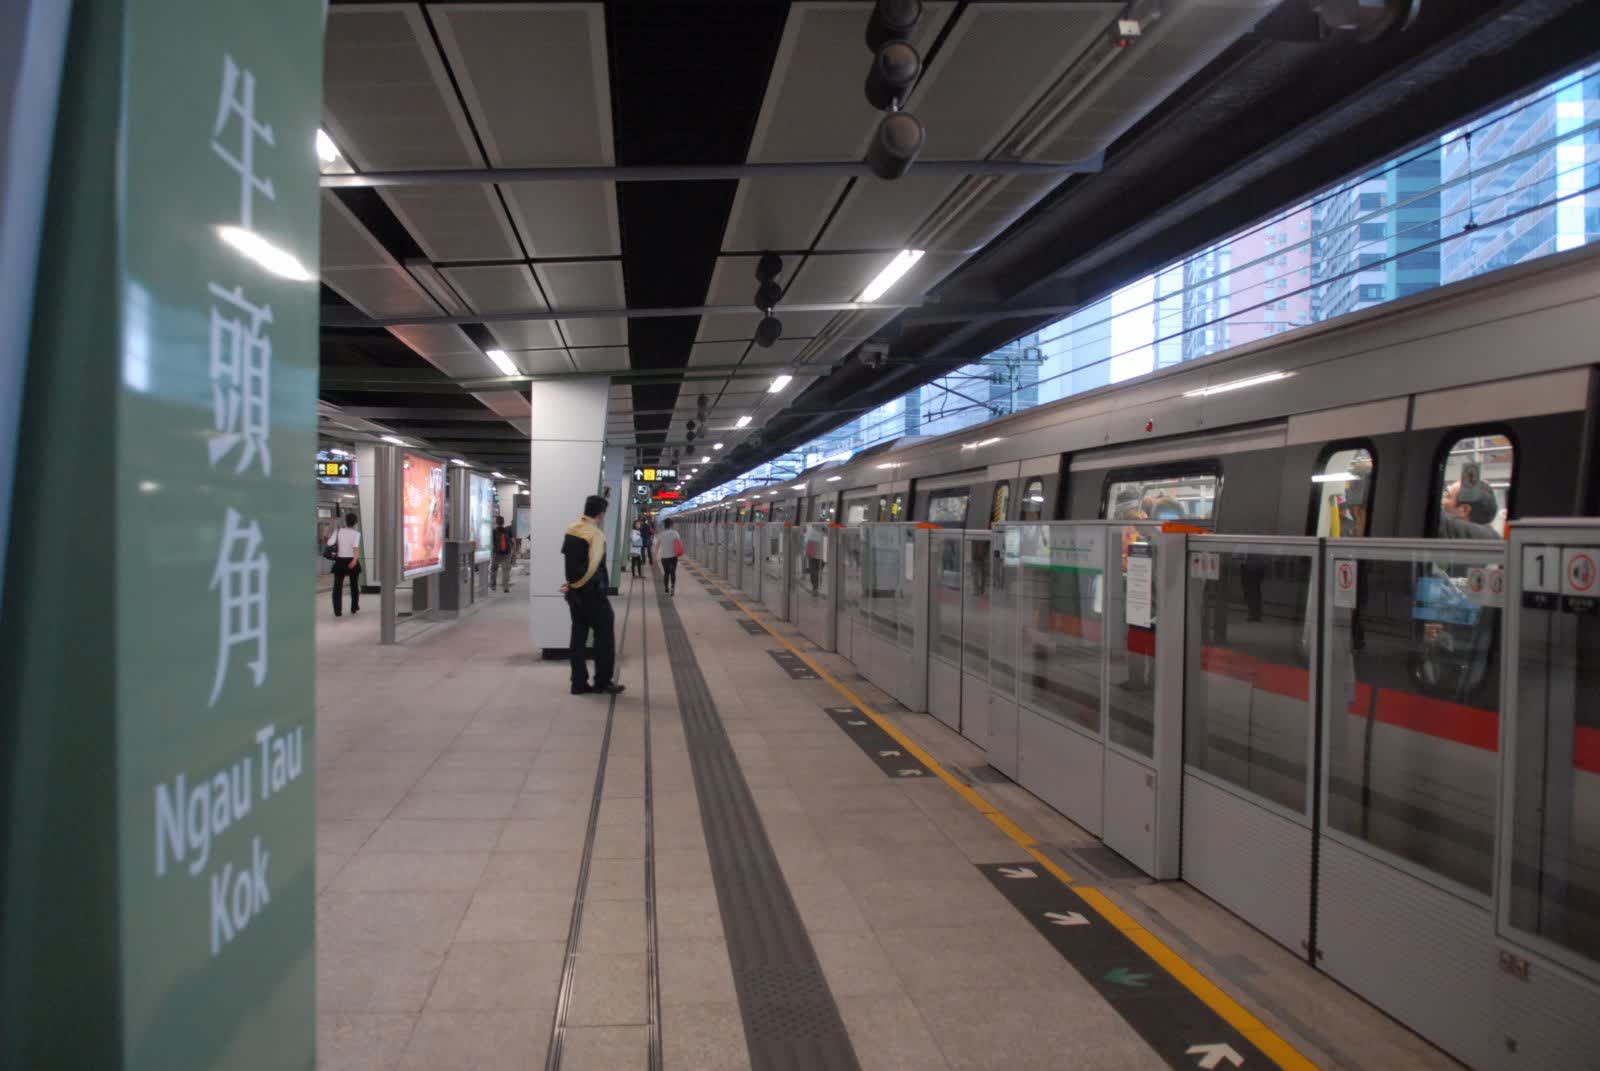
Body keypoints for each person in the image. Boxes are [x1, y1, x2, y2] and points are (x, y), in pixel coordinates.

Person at [562, 495, 623, 696]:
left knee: (578, 637)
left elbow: (571, 563)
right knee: (604, 636)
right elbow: (592, 567)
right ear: (601, 514)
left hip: (574, 594)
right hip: (592, 594)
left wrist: (572, 586)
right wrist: (584, 586)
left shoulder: (572, 529)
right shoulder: (595, 534)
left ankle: (578, 683)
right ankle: (602, 682)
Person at [326, 512, 361, 617]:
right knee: (354, 585)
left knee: (337, 587)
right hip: (351, 560)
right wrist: (354, 560)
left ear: (345, 521)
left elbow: (329, 543)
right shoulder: (356, 534)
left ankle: (337, 611)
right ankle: (354, 607)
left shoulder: (338, 531)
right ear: (355, 523)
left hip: (340, 562)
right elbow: (355, 548)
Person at [490, 514, 516, 592]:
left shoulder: (493, 531)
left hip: (496, 553)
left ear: (496, 522)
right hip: (506, 553)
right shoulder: (507, 530)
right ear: (503, 522)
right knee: (506, 571)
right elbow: (513, 541)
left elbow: (491, 543)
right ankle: (506, 587)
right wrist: (513, 551)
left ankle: (493, 586)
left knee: (494, 570)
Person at [660, 517, 684, 594]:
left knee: (666, 573)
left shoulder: (662, 534)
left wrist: (654, 556)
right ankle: (672, 587)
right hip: (673, 557)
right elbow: (679, 543)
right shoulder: (675, 533)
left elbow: (657, 546)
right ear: (671, 525)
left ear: (664, 525)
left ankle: (666, 588)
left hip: (664, 557)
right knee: (673, 572)